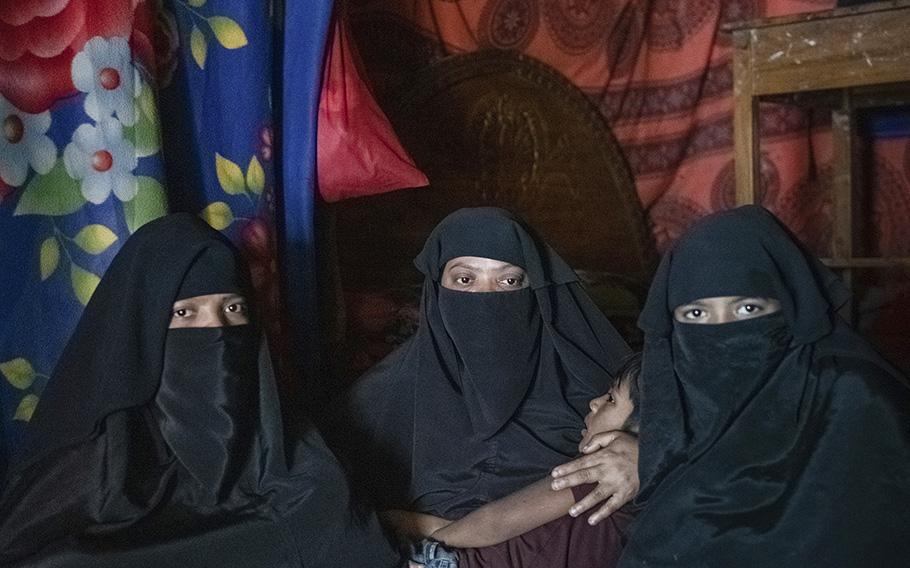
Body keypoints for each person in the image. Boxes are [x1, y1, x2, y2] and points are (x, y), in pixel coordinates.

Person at [0, 214, 404, 567]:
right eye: (184, 313)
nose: (217, 334)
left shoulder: (300, 466)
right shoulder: (96, 474)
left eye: (232, 309)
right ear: (143, 332)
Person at [618, 205, 910, 566]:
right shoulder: (675, 413)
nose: (723, 331)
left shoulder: (856, 401)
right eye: (696, 314)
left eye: (747, 310)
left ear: (789, 308)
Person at [325, 207, 636, 522]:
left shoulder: (603, 395)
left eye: (509, 281)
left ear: (536, 293)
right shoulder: (372, 408)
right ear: (435, 293)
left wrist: (642, 456)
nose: (486, 298)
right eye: (464, 279)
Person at [406, 352, 643, 568]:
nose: (595, 402)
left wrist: (430, 548)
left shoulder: (601, 472)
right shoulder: (638, 503)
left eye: (611, 399)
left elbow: (496, 521)